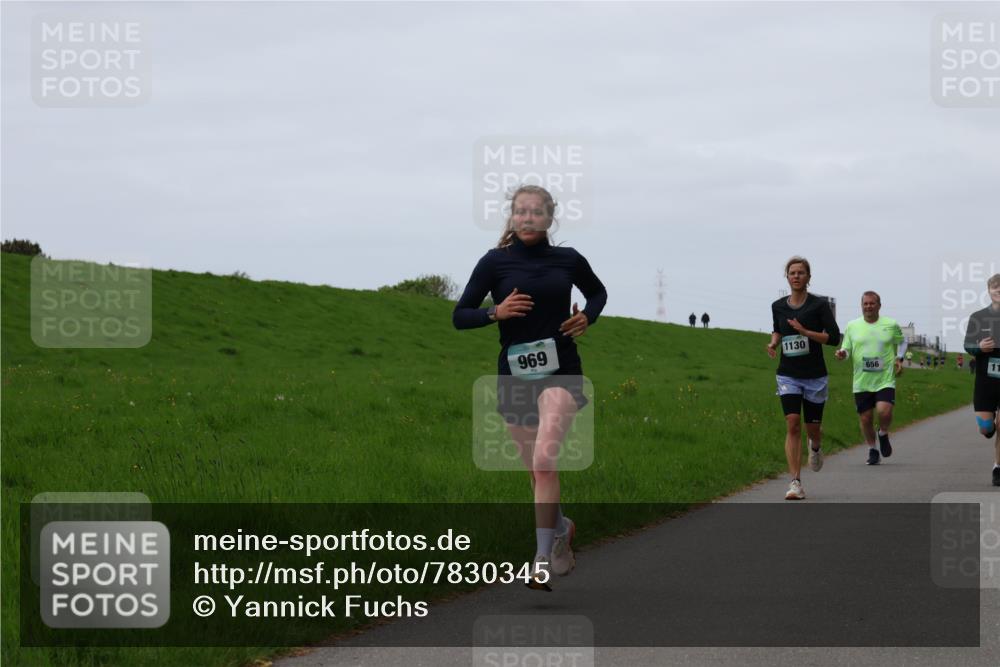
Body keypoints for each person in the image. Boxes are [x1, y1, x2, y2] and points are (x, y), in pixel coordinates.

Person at [453, 184, 608, 588]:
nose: (527, 218)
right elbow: (460, 315)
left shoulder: (568, 259)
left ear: (549, 218)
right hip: (515, 375)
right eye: (521, 211)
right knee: (536, 473)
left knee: (543, 461)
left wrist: (587, 316)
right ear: (512, 216)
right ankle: (562, 529)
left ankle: (539, 559)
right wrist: (495, 313)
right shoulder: (494, 263)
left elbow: (597, 292)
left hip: (561, 370)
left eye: (536, 212)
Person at [767, 256, 841, 500]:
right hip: (788, 374)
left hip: (814, 375)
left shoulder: (819, 306)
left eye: (801, 272)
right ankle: (795, 482)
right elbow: (778, 329)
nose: (796, 276)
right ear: (787, 277)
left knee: (812, 429)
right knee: (792, 422)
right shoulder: (778, 306)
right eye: (792, 273)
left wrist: (806, 332)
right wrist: (774, 343)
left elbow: (834, 338)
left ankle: (815, 446)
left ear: (808, 277)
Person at [834, 291, 906, 465]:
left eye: (872, 303)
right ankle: (873, 449)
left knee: (884, 411)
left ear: (879, 305)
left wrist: (899, 358)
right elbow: (846, 349)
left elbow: (902, 341)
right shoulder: (852, 326)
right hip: (862, 381)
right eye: (865, 303)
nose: (868, 306)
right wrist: (842, 354)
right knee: (865, 418)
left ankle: (883, 432)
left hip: (885, 379)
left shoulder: (890, 324)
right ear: (861, 306)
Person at [962, 273, 1000, 486]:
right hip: (986, 381)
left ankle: (998, 467)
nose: (999, 291)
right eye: (995, 288)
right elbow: (967, 345)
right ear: (989, 291)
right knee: (986, 427)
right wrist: (979, 347)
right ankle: (989, 429)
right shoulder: (978, 317)